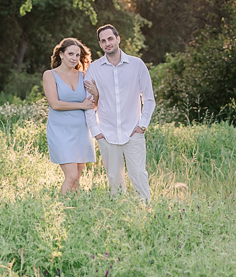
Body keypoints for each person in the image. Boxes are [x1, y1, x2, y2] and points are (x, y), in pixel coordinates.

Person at [84, 24, 155, 204]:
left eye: (110, 39)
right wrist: (96, 132)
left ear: (118, 39)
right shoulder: (94, 69)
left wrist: (142, 126)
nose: (107, 43)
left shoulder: (137, 65)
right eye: (103, 41)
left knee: (138, 174)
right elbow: (88, 103)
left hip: (133, 131)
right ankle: (119, 213)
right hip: (106, 133)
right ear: (100, 45)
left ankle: (146, 211)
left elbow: (149, 99)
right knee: (114, 179)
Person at [43, 37, 97, 194]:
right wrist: (80, 105)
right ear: (61, 54)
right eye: (70, 54)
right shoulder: (50, 75)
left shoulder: (84, 76)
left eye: (77, 55)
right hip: (60, 132)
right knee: (71, 176)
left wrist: (96, 93)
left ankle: (73, 213)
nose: (74, 58)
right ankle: (57, 210)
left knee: (76, 180)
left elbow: (92, 104)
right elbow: (55, 104)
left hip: (82, 132)